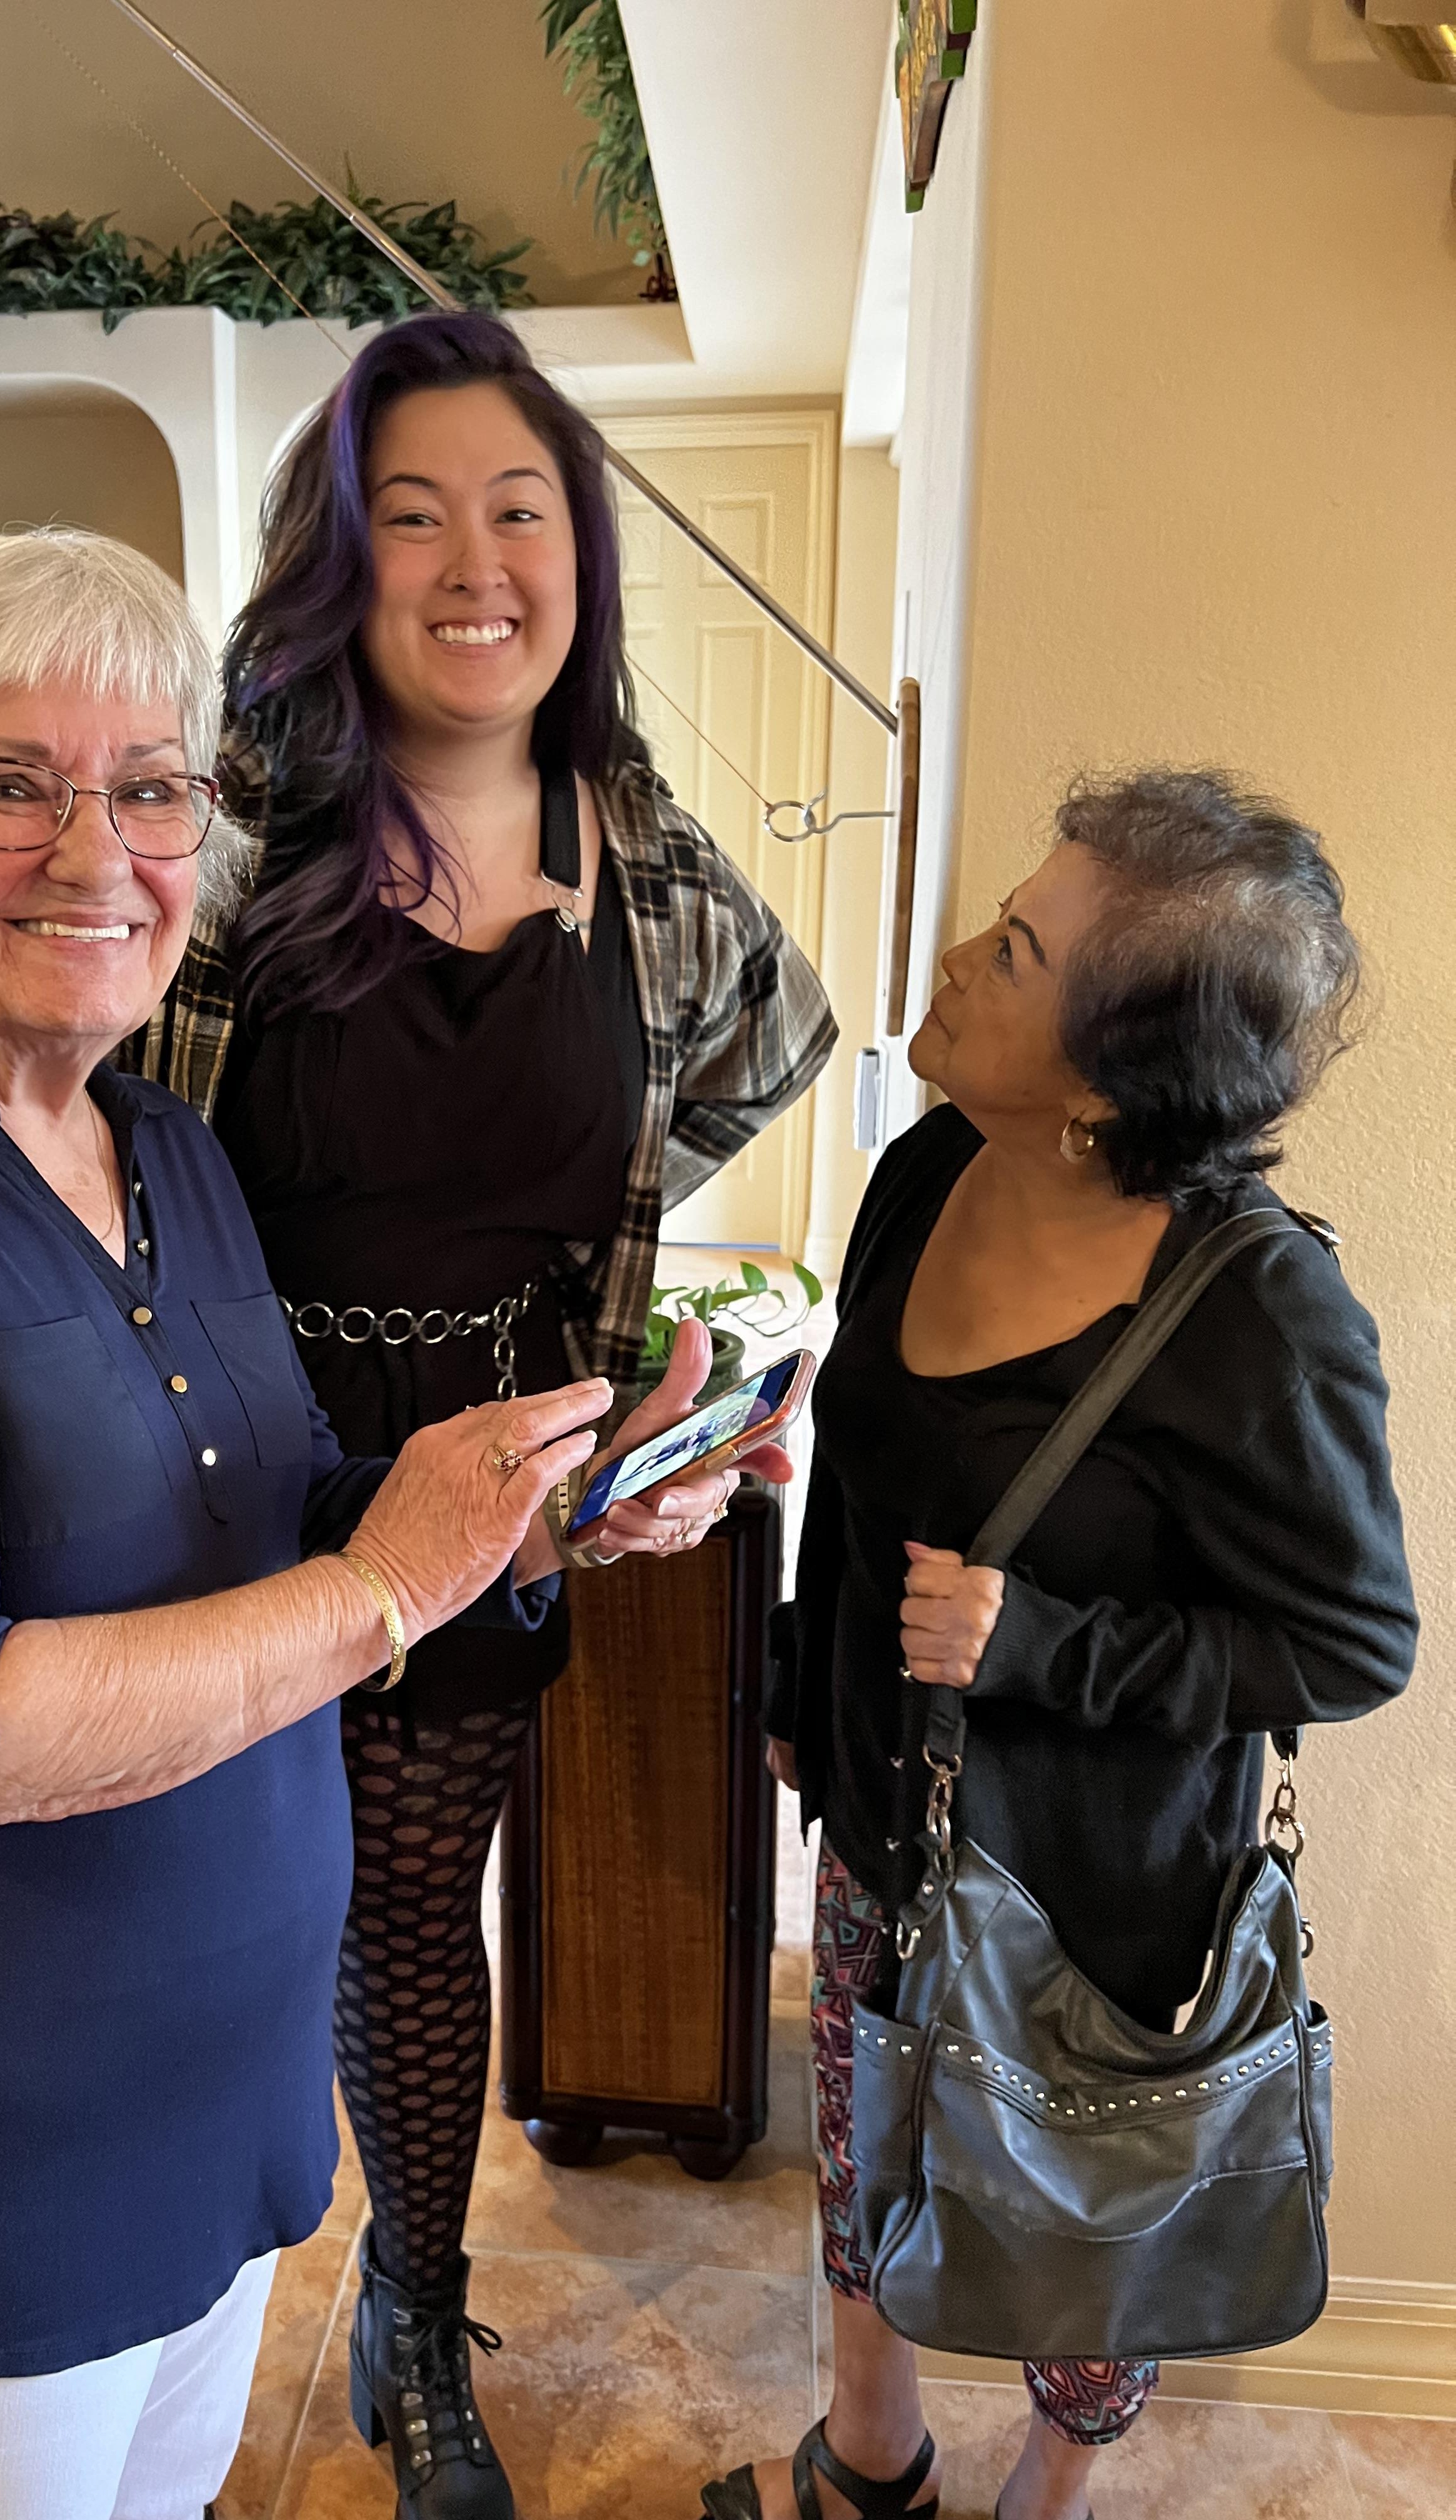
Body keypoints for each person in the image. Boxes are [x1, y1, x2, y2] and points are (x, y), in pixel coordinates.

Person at [0, 528, 753, 2520]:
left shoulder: (167, 1151)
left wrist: (561, 1510)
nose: (97, 849)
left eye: (148, 791)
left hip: (209, 2135)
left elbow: (292, 1519)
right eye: (12, 787)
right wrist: (392, 1578)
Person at [129, 308, 836, 2516]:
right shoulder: (231, 828)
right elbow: (91, 1135)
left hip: (492, 1513)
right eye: (407, 514)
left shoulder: (639, 850)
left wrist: (588, 1318)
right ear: (336, 562)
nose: (472, 563)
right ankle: (154, 2298)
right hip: (219, 1481)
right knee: (189, 1894)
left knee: (414, 1911)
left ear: (578, 555)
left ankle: (417, 2319)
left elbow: (765, 1056)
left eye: (517, 511)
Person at [710, 769, 1416, 2520]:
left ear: (1113, 1080)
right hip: (887, 1818)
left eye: (1015, 948)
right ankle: (868, 2466)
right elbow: (868, 1476)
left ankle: (1050, 2497)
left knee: (1085, 2243)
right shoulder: (928, 1161)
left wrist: (1046, 1645)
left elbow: (1351, 1641)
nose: (956, 955)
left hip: (1104, 1906)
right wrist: (806, 1681)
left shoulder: (1262, 1313)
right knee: (873, 2166)